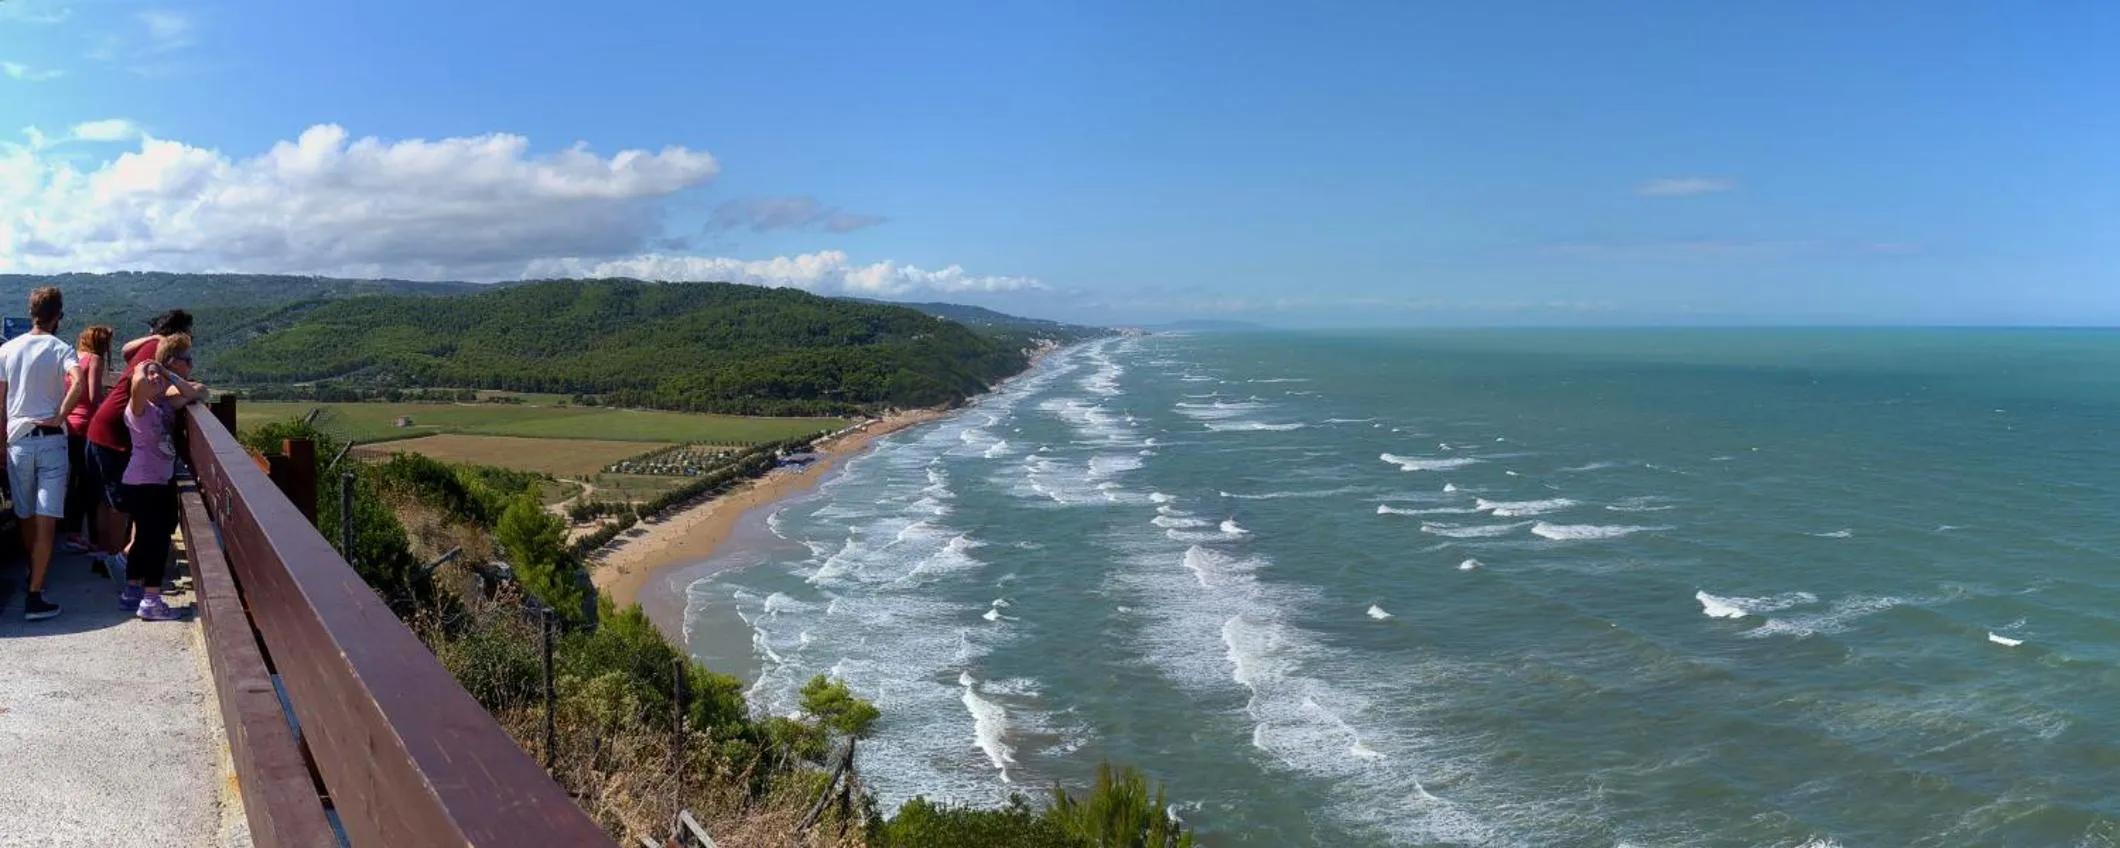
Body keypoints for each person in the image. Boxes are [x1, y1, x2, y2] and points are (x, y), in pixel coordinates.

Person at [0, 287, 88, 621]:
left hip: (18, 441)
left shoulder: (7, 350)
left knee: (25, 515)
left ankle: (32, 573)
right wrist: (60, 415)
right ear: (58, 316)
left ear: (32, 312)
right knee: (47, 518)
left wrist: (1, 443)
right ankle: (36, 593)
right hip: (51, 441)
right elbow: (78, 382)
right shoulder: (61, 348)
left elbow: (0, 403)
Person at [85, 309, 192, 568]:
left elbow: (125, 351)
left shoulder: (150, 346)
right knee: (120, 504)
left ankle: (105, 556)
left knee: (107, 500)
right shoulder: (159, 351)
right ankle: (117, 562)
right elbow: (165, 391)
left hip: (101, 426)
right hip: (115, 432)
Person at [118, 334, 205, 621]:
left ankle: (132, 591)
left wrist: (166, 373)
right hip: (145, 483)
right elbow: (138, 386)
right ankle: (151, 600)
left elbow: (198, 393)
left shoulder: (164, 403)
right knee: (155, 541)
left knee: (145, 538)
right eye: (150, 376)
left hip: (152, 481)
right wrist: (144, 368)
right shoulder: (138, 409)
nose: (154, 379)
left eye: (158, 375)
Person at [64, 324, 114, 558]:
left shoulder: (74, 358)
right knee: (90, 482)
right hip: (87, 425)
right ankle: (83, 535)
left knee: (76, 478)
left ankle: (73, 530)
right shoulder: (94, 360)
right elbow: (94, 396)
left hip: (69, 424)